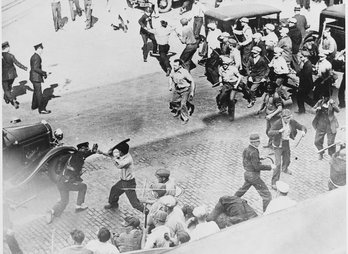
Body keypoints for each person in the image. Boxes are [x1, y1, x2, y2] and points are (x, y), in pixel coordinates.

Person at [46, 142, 98, 224]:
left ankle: (52, 211)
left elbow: (62, 160)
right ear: (81, 149)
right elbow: (76, 169)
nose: (86, 151)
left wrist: (92, 151)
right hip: (67, 182)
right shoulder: (78, 159)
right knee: (83, 187)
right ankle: (79, 206)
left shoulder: (73, 155)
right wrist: (77, 174)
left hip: (61, 181)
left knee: (64, 201)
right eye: (85, 149)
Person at [102, 139, 148, 213]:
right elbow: (113, 156)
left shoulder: (128, 160)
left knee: (134, 203)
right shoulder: (123, 154)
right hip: (123, 181)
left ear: (121, 152)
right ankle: (113, 204)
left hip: (129, 183)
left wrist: (111, 157)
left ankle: (146, 211)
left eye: (119, 151)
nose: (117, 153)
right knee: (114, 190)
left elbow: (119, 165)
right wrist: (102, 153)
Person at [234, 133, 275, 212]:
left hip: (247, 174)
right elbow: (257, 167)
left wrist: (259, 158)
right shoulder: (254, 152)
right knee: (267, 196)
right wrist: (270, 167)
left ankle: (231, 200)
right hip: (254, 177)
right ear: (253, 142)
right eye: (257, 141)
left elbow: (249, 160)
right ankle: (266, 213)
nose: (259, 143)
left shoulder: (247, 149)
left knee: (242, 191)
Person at [268, 109, 307, 188]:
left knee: (287, 159)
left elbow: (302, 126)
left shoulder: (291, 121)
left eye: (290, 117)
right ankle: (274, 183)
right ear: (283, 117)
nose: (289, 119)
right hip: (278, 145)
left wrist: (303, 131)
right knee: (278, 164)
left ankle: (285, 169)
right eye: (287, 118)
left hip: (286, 143)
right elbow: (269, 132)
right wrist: (278, 131)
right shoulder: (277, 123)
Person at [312, 93, 340, 159]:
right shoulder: (319, 102)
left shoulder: (332, 103)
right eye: (325, 97)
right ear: (322, 97)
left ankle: (332, 156)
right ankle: (321, 152)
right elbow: (312, 109)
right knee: (317, 141)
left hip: (330, 125)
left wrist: (333, 105)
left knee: (330, 143)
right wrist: (316, 109)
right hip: (321, 125)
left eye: (328, 97)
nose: (326, 99)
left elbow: (338, 110)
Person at [169, 59, 195, 124]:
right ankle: (178, 110)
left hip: (185, 90)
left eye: (175, 66)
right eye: (173, 65)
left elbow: (192, 81)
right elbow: (170, 77)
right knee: (173, 101)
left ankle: (185, 118)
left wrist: (192, 92)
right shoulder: (173, 71)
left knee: (183, 104)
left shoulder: (184, 72)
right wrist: (170, 85)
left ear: (180, 66)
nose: (174, 67)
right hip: (178, 89)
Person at [2, 41, 27, 109]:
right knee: (9, 87)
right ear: (7, 47)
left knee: (6, 89)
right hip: (12, 75)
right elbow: (17, 63)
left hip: (3, 76)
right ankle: (6, 98)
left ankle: (12, 100)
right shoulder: (11, 55)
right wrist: (24, 67)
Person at [257, 82, 283, 148]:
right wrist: (261, 110)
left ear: (274, 89)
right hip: (268, 116)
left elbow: (280, 108)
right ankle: (270, 143)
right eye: (268, 88)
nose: (268, 89)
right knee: (268, 131)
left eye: (270, 88)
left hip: (275, 117)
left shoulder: (276, 96)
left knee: (273, 131)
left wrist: (271, 115)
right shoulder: (267, 95)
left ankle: (275, 145)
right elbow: (264, 103)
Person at [216, 56, 242, 121]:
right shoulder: (221, 68)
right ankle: (223, 107)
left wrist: (236, 85)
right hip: (226, 84)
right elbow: (220, 76)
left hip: (233, 84)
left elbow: (239, 77)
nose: (224, 66)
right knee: (221, 96)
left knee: (231, 99)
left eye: (226, 64)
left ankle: (231, 115)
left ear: (228, 64)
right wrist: (220, 83)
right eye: (223, 64)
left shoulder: (233, 69)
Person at [30, 43, 50, 114]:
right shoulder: (37, 57)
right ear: (38, 49)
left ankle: (34, 106)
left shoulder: (34, 56)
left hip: (33, 77)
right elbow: (35, 68)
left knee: (36, 91)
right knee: (39, 93)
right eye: (41, 49)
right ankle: (42, 109)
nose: (42, 50)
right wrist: (44, 73)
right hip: (36, 77)